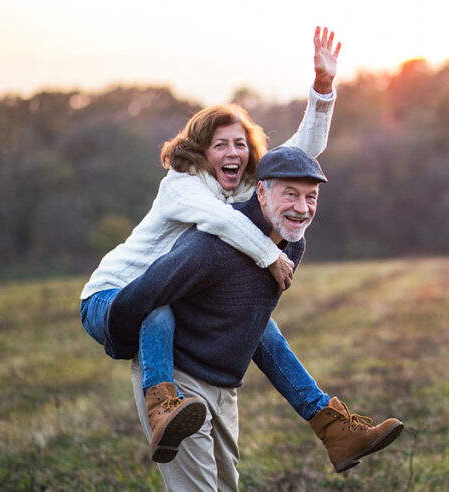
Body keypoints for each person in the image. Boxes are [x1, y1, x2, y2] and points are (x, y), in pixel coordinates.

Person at [78, 27, 398, 472]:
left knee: (261, 326)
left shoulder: (243, 189)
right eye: (220, 145)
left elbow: (298, 160)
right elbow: (221, 223)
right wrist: (271, 256)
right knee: (161, 310)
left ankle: (330, 424)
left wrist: (323, 90)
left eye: (241, 144)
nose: (234, 152)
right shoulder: (184, 188)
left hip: (166, 292)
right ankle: (163, 405)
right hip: (115, 295)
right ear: (200, 152)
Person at [106, 147, 404, 490]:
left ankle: (331, 428)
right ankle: (326, 425)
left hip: (223, 383)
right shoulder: (211, 247)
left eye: (311, 197)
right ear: (261, 192)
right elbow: (143, 294)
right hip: (179, 381)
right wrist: (117, 341)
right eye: (290, 194)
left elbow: (255, 323)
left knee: (226, 486)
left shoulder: (292, 244)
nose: (302, 208)